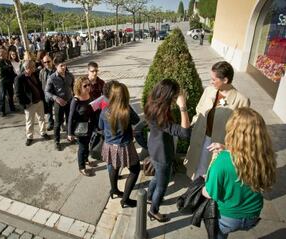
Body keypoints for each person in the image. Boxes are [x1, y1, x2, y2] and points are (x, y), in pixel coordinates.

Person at [202, 107, 276, 239]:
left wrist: (206, 177)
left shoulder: (221, 161)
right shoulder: (265, 157)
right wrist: (225, 149)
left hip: (226, 219)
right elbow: (242, 161)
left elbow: (209, 193)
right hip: (253, 216)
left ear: (232, 131)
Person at [185, 61, 250, 179]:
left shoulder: (242, 100)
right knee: (195, 169)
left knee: (210, 173)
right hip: (200, 137)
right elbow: (199, 110)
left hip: (218, 145)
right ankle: (195, 191)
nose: (211, 82)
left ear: (225, 80)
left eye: (214, 79)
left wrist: (228, 147)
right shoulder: (208, 91)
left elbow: (241, 130)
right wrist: (194, 126)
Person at [144, 79, 191, 222]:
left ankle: (149, 197)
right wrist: (183, 107)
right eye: (175, 95)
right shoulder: (162, 115)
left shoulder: (151, 103)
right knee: (162, 185)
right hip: (163, 154)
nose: (176, 98)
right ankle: (153, 211)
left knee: (157, 176)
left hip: (154, 147)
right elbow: (184, 133)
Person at [99, 82, 140, 208]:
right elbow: (137, 120)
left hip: (109, 146)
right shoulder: (126, 111)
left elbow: (100, 127)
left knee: (113, 167)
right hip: (124, 146)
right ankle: (125, 199)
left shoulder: (105, 110)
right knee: (135, 169)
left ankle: (114, 190)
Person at [15, 60, 50, 146]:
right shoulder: (19, 78)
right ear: (26, 68)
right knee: (29, 121)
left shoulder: (34, 74)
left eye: (34, 67)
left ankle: (43, 132)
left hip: (39, 101)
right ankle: (29, 137)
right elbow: (18, 94)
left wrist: (42, 99)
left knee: (42, 118)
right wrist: (24, 105)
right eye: (32, 67)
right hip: (29, 104)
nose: (34, 69)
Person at [67, 76, 97, 176]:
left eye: (89, 85)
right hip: (80, 127)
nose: (88, 87)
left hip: (90, 125)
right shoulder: (75, 101)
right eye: (85, 86)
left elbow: (93, 108)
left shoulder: (89, 95)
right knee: (82, 147)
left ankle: (86, 159)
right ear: (79, 87)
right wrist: (70, 133)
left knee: (87, 144)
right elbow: (70, 117)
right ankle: (82, 167)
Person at [45, 55, 75, 151]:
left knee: (70, 120)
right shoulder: (52, 78)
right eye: (61, 66)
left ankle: (70, 136)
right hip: (58, 103)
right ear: (56, 66)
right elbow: (47, 92)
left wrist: (74, 96)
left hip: (69, 102)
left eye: (64, 65)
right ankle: (57, 141)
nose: (64, 67)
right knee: (58, 123)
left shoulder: (70, 75)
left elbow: (73, 87)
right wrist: (56, 98)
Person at [0, 46, 18, 116]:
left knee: (10, 94)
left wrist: (16, 76)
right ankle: (2, 110)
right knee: (2, 95)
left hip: (9, 79)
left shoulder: (7, 61)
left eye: (4, 52)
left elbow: (11, 70)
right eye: (1, 52)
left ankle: (12, 107)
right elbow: (0, 70)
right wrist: (8, 67)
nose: (3, 54)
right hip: (2, 80)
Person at [39, 55, 56, 131]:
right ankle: (50, 123)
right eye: (44, 62)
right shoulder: (42, 72)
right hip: (47, 95)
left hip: (56, 94)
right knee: (49, 110)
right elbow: (40, 82)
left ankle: (60, 123)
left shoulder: (57, 70)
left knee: (58, 110)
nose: (47, 63)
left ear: (52, 61)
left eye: (48, 61)